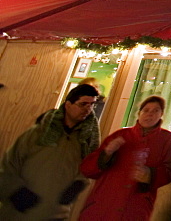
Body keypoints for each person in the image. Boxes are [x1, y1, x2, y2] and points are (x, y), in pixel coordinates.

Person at [0, 83, 100, 220]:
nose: (88, 109)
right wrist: (15, 191)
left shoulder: (85, 141)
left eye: (92, 105)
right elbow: (8, 166)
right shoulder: (38, 133)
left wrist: (79, 184)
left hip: (56, 214)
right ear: (68, 105)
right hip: (18, 212)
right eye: (83, 104)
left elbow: (87, 169)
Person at [79, 95, 171, 220]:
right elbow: (87, 169)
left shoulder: (167, 140)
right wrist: (106, 153)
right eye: (146, 110)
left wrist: (150, 174)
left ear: (161, 114)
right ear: (139, 114)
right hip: (104, 203)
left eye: (155, 111)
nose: (150, 114)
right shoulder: (120, 135)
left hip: (135, 207)